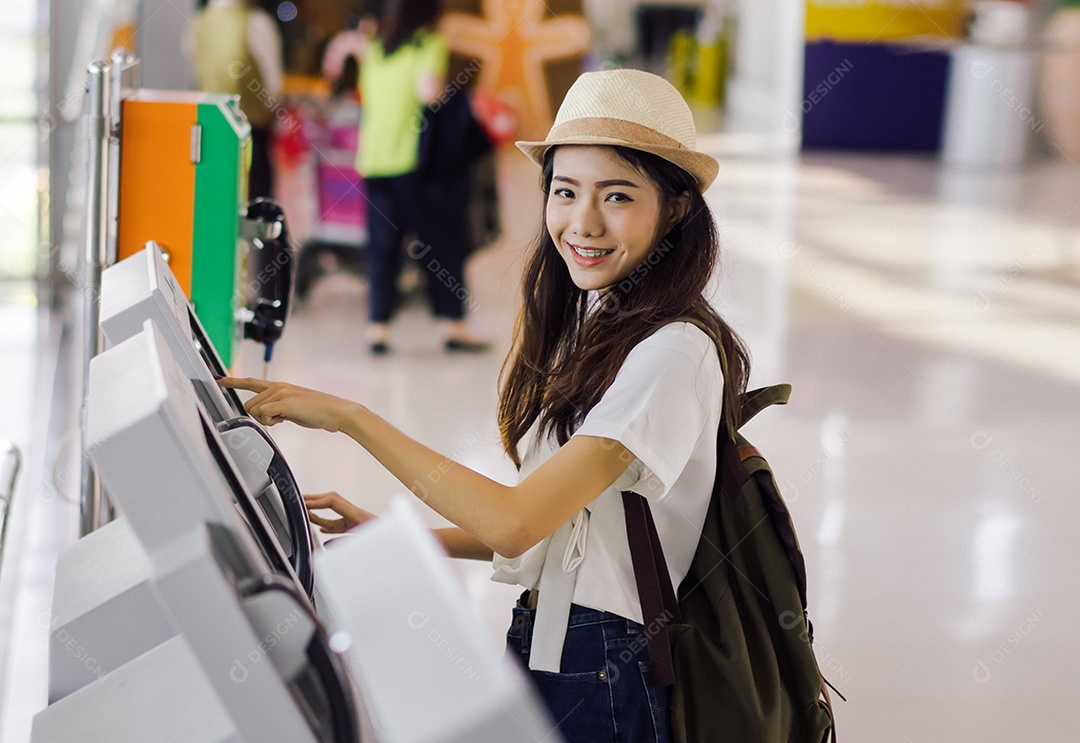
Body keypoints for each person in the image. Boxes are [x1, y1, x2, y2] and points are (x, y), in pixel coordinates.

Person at [220, 69, 751, 742]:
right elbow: (559, 530)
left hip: (607, 672)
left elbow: (515, 523)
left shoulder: (674, 352)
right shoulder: (613, 321)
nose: (582, 222)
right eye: (565, 191)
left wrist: (353, 418)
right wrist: (399, 538)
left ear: (676, 208)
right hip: (556, 648)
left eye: (617, 196)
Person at [321, 0, 487, 355]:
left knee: (382, 248)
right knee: (437, 246)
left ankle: (377, 329)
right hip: (413, 162)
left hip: (374, 160)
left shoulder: (376, 48)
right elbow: (429, 93)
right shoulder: (429, 44)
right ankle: (452, 326)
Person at [191, 0, 284, 200]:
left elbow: (195, 72)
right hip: (251, 133)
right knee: (252, 205)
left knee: (215, 201)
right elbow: (274, 87)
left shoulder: (198, 22)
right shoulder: (257, 22)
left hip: (209, 132)